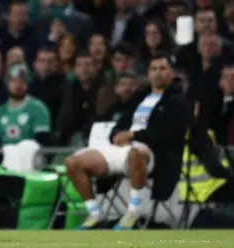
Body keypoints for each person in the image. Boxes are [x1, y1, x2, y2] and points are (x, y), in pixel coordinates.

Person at [65, 53, 189, 230]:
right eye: (153, 69)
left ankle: (133, 212)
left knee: (136, 153)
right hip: (121, 147)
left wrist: (132, 136)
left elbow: (166, 133)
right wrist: (116, 135)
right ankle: (94, 213)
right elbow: (121, 123)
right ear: (148, 73)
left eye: (163, 69)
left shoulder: (177, 102)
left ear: (172, 73)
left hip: (154, 153)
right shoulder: (139, 97)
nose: (158, 73)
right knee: (73, 162)